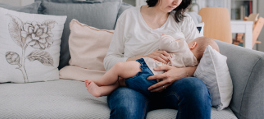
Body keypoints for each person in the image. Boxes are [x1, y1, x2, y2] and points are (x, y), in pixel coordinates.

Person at [103, 0, 212, 119]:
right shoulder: (129, 16)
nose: (177, 2)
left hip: (173, 86)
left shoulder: (184, 20)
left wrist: (182, 72)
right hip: (133, 87)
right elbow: (109, 61)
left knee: (197, 88)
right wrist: (140, 60)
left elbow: (203, 61)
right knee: (126, 108)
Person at [85, 36, 219, 98]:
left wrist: (173, 39)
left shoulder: (184, 46)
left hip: (147, 69)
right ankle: (100, 92)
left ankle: (98, 82)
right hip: (156, 84)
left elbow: (164, 42)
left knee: (119, 68)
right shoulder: (194, 64)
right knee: (121, 82)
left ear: (193, 45)